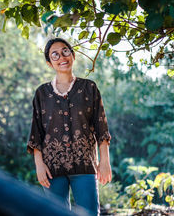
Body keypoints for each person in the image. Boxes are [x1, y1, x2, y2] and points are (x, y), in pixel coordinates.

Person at [27, 38, 112, 216]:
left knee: (90, 213)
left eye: (65, 51)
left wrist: (104, 161)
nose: (61, 57)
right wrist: (39, 165)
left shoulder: (89, 88)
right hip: (52, 168)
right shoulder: (42, 93)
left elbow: (101, 127)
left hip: (85, 165)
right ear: (49, 63)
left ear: (73, 55)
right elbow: (36, 132)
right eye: (54, 55)